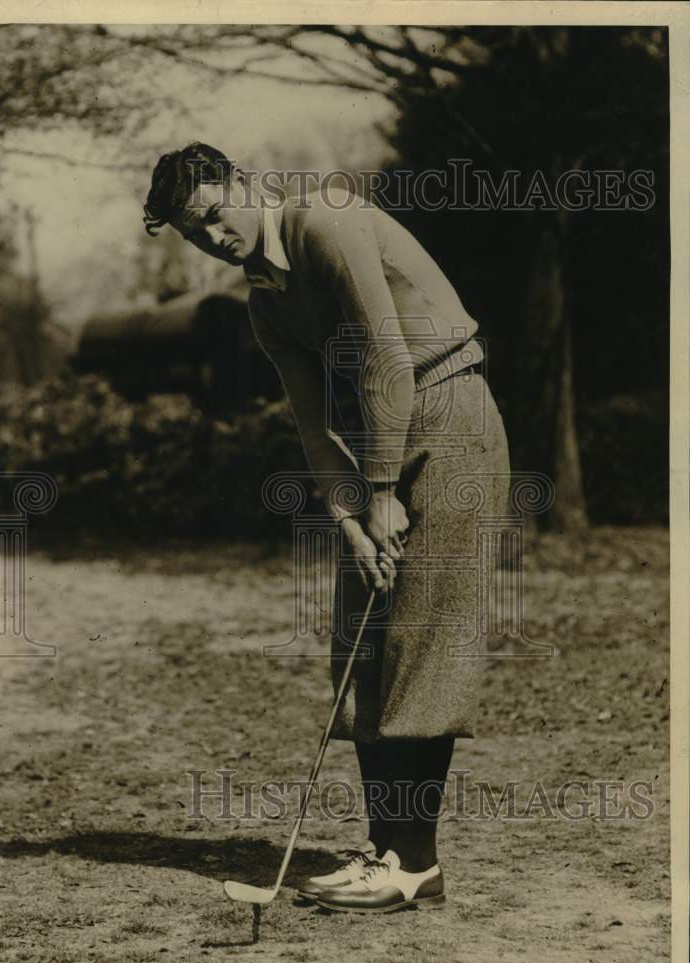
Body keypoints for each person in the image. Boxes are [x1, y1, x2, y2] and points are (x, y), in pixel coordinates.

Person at [143, 142, 511, 913]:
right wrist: (348, 515)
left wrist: (381, 488)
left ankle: (414, 862)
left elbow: (385, 354)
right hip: (376, 439)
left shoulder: (326, 220)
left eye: (214, 213)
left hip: (447, 415)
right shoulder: (267, 302)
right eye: (193, 231)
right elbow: (313, 424)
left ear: (240, 185)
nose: (212, 236)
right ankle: (384, 851)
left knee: (420, 636)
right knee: (364, 641)